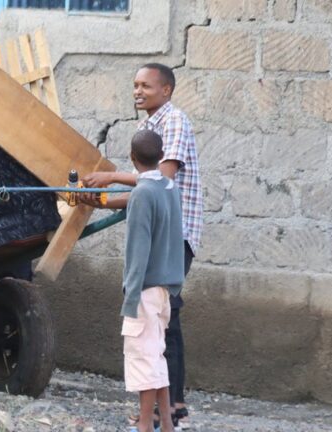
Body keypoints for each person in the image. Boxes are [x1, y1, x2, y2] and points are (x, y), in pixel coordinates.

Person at [82, 63, 202, 429]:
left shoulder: (174, 122)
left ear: (166, 90)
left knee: (159, 326)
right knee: (163, 323)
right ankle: (165, 414)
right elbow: (144, 192)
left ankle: (167, 410)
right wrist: (96, 199)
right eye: (135, 85)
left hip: (173, 234)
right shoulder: (147, 127)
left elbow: (157, 181)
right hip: (162, 229)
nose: (138, 92)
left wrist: (111, 177)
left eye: (146, 86)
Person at [121, 129, 183, 432]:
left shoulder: (141, 194)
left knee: (143, 359)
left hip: (144, 289)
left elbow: (138, 249)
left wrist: (129, 296)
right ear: (161, 157)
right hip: (165, 288)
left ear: (133, 159)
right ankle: (167, 424)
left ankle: (145, 426)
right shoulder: (170, 188)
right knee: (156, 356)